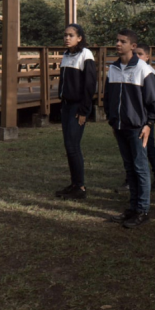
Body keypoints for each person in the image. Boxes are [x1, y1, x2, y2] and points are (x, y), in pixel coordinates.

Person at [104, 30, 155, 229]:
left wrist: (149, 124)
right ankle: (132, 207)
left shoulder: (144, 70)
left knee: (140, 168)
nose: (118, 44)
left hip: (137, 128)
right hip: (119, 126)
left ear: (133, 46)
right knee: (130, 169)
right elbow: (107, 97)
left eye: (123, 41)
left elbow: (154, 101)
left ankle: (143, 210)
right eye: (117, 40)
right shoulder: (112, 69)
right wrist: (113, 121)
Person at [55, 24, 96, 200]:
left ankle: (80, 187)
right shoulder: (66, 55)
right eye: (65, 35)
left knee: (73, 146)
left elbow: (89, 85)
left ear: (79, 38)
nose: (67, 38)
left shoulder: (85, 54)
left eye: (71, 35)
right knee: (69, 146)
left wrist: (84, 110)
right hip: (66, 106)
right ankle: (74, 184)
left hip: (77, 107)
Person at [133, 43, 155, 191]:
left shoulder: (149, 72)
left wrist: (151, 119)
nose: (137, 57)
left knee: (147, 147)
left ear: (147, 57)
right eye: (135, 54)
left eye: (140, 54)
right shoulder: (134, 70)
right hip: (135, 117)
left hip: (146, 119)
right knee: (140, 149)